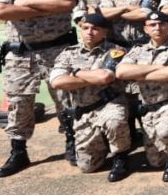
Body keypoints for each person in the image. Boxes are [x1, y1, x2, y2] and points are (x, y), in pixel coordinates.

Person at [0, 0, 79, 177]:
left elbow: (67, 4)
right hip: (21, 54)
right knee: (19, 103)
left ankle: (72, 142)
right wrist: (46, 8)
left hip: (58, 51)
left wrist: (20, 5)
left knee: (66, 99)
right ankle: (18, 151)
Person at [48, 13, 132, 181]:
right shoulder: (68, 53)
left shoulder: (116, 51)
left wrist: (76, 73)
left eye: (95, 29)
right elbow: (57, 82)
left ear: (105, 32)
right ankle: (102, 144)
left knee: (114, 121)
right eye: (85, 28)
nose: (89, 32)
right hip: (83, 109)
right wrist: (90, 77)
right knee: (87, 167)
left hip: (109, 104)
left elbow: (105, 77)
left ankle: (120, 157)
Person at [115, 10, 168, 182]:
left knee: (166, 131)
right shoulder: (137, 50)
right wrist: (159, 69)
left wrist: (138, 73)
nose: (157, 27)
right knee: (156, 161)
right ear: (145, 29)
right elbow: (121, 72)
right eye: (152, 25)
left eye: (162, 24)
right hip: (149, 106)